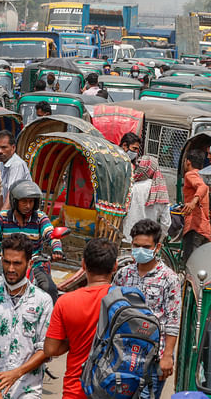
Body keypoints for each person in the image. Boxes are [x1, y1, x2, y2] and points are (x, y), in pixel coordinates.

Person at [0, 234, 53, 399]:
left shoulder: (43, 301)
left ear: (29, 264)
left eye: (17, 263)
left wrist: (16, 373)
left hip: (27, 391)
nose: (10, 269)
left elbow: (45, 349)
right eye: (6, 262)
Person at [113, 220, 181, 399]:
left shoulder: (169, 279)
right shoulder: (123, 274)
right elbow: (112, 309)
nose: (140, 251)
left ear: (157, 247)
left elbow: (173, 320)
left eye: (145, 246)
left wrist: (167, 356)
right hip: (123, 352)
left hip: (154, 357)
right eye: (136, 246)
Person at [44, 238, 117, 399]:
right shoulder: (124, 299)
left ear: (83, 265)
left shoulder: (66, 302)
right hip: (115, 389)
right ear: (115, 266)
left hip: (76, 389)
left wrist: (76, 339)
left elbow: (50, 349)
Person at [0, 180, 63, 301]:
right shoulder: (3, 217)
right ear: (15, 201)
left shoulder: (40, 218)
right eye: (24, 201)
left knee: (49, 289)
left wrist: (57, 249)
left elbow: (52, 235)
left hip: (34, 264)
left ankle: (49, 319)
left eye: (31, 202)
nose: (28, 206)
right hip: (7, 264)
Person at [124, 156, 172, 241]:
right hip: (148, 241)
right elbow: (166, 223)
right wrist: (159, 239)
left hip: (129, 237)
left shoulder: (132, 187)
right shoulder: (161, 191)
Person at [181, 150, 211, 263]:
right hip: (204, 227)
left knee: (190, 264)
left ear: (188, 162)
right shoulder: (202, 175)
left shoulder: (190, 174)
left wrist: (193, 202)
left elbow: (203, 187)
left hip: (194, 226)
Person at [0, 130, 32, 217]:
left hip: (22, 214)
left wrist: (0, 218)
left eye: (4, 147)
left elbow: (11, 193)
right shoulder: (3, 163)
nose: (0, 151)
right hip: (12, 213)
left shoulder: (16, 164)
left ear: (13, 148)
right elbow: (3, 195)